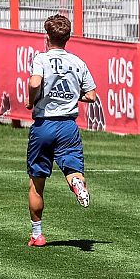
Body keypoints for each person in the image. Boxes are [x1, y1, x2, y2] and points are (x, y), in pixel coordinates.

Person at [25, 14, 98, 247]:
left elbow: (35, 83)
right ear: (68, 38)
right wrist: (72, 96)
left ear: (47, 37)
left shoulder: (41, 59)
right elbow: (92, 95)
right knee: (73, 170)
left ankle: (37, 234)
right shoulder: (78, 62)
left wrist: (31, 101)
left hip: (44, 125)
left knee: (37, 183)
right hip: (68, 126)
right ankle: (77, 184)